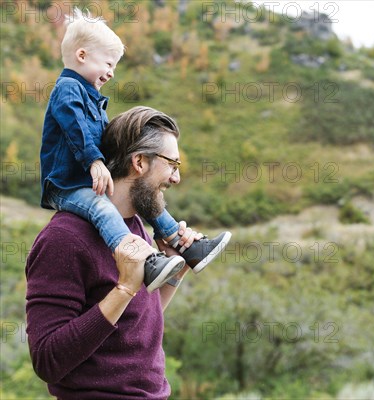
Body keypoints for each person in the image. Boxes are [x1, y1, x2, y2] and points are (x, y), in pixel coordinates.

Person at [27, 105, 216, 398]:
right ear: (139, 162)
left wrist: (176, 268)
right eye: (172, 165)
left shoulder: (133, 225)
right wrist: (125, 287)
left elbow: (136, 323)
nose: (176, 178)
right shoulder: (63, 238)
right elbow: (47, 360)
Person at [40, 8, 231, 292]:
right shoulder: (67, 89)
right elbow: (75, 128)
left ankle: (184, 247)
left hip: (86, 180)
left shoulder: (92, 98)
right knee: (102, 208)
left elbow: (148, 323)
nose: (112, 72)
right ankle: (143, 260)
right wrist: (94, 161)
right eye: (108, 63)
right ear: (82, 56)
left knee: (147, 200)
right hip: (65, 185)